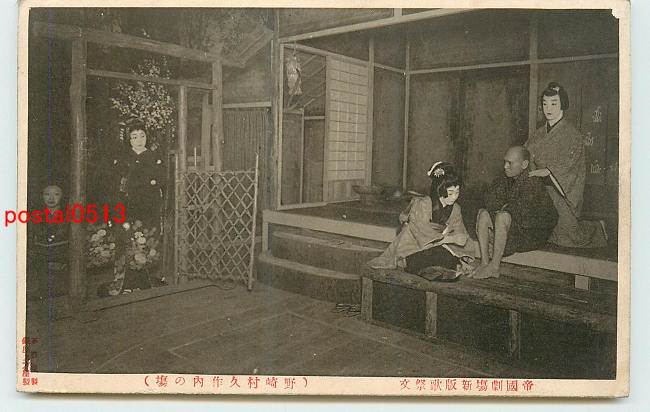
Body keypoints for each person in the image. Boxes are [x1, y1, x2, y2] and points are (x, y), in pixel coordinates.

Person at [525, 82, 607, 248]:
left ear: (563, 104)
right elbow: (525, 156)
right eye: (545, 104)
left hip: (560, 194)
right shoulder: (537, 134)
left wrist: (547, 171)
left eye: (554, 103)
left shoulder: (573, 135)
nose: (548, 108)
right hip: (537, 191)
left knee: (567, 237)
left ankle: (597, 227)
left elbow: (570, 170)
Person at [368, 162, 474, 275]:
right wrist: (452, 239)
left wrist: (461, 252)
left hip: (437, 247)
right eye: (450, 193)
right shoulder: (422, 204)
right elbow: (423, 236)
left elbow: (460, 232)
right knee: (429, 258)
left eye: (457, 192)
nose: (454, 197)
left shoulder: (455, 209)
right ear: (439, 190)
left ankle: (453, 266)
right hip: (412, 246)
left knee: (444, 257)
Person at [472, 146, 558, 279]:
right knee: (483, 214)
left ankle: (494, 267)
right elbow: (490, 201)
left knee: (502, 217)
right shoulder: (506, 178)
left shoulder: (532, 182)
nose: (505, 166)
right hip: (517, 228)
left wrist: (503, 210)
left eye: (510, 163)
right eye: (505, 162)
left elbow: (522, 215)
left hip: (532, 234)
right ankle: (484, 263)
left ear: (524, 165)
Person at [113, 121, 165, 228]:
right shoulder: (124, 157)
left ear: (147, 137)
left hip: (149, 199)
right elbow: (119, 178)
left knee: (149, 227)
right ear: (129, 139)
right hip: (129, 199)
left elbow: (161, 177)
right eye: (135, 137)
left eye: (142, 136)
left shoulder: (154, 156)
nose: (139, 140)